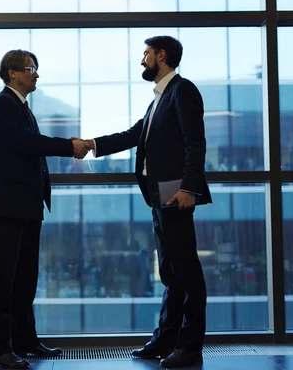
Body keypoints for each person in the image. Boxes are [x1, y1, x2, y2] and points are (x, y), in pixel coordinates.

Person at [79, 36, 212, 368]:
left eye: (146, 54)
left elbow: (195, 143)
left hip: (174, 191)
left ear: (161, 56)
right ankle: (165, 341)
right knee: (169, 271)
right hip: (159, 193)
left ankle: (190, 347)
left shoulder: (183, 91)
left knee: (186, 272)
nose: (142, 60)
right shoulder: (158, 101)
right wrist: (92, 144)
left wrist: (189, 188)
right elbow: (131, 135)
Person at [0, 49, 88, 369]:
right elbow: (28, 144)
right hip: (6, 207)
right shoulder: (2, 104)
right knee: (0, 282)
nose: (36, 74)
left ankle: (25, 341)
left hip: (25, 207)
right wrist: (69, 146)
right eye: (30, 69)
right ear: (12, 73)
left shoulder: (21, 107)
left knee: (25, 279)